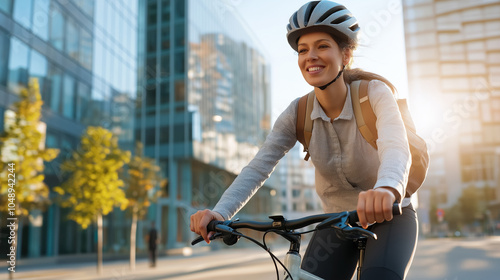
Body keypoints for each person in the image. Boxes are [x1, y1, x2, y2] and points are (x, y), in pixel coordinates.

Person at [190, 1, 419, 279]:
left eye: (322, 46)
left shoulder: (374, 94)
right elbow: (259, 166)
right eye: (303, 50)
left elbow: (395, 146)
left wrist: (387, 189)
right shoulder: (297, 113)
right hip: (335, 221)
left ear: (345, 55)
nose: (311, 56)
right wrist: (220, 212)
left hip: (389, 215)